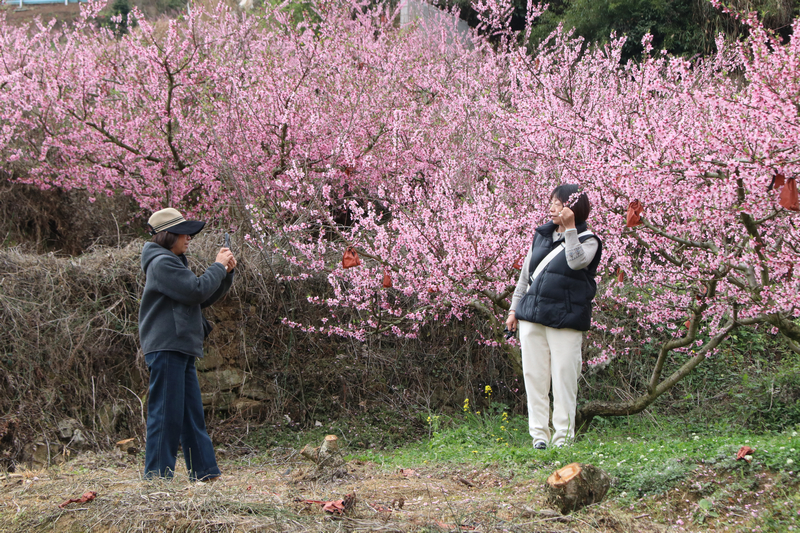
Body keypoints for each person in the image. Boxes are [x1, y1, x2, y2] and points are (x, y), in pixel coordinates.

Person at [139, 207, 236, 481]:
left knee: (190, 413)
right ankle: (157, 478)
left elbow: (200, 297)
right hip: (168, 346)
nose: (189, 238)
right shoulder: (161, 263)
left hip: (178, 345)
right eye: (184, 233)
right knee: (165, 414)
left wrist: (225, 274)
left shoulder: (172, 262)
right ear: (168, 235)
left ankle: (204, 472)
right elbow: (195, 291)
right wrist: (217, 266)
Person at [505, 184, 602, 449]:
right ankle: (539, 436)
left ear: (573, 208)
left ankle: (563, 438)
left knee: (563, 379)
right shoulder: (541, 236)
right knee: (534, 376)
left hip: (565, 319)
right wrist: (514, 309)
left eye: (558, 203)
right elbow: (525, 277)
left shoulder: (589, 240)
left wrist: (571, 229)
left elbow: (575, 262)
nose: (552, 207)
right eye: (552, 202)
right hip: (532, 316)